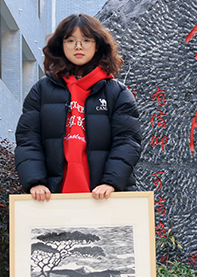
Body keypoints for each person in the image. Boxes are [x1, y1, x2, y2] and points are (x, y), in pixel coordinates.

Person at [15, 13, 141, 201]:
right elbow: (28, 140)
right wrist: (35, 182)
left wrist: (111, 182)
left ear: (98, 45)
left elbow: (127, 141)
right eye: (70, 40)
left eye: (86, 40)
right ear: (61, 45)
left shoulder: (117, 93)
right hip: (52, 198)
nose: (78, 46)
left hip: (106, 198)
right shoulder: (41, 91)